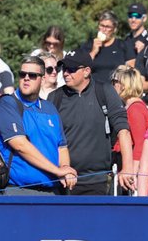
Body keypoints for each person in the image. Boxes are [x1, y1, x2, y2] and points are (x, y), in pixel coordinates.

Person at [50, 50, 134, 195]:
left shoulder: (104, 91)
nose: (65, 73)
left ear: (86, 71)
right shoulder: (54, 97)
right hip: (64, 180)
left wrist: (127, 168)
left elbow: (123, 130)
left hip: (99, 181)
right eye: (64, 69)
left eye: (72, 69)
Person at [0, 57, 75, 194]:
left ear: (42, 80)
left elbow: (62, 147)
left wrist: (66, 169)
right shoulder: (8, 104)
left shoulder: (50, 108)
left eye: (32, 75)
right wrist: (57, 170)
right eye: (22, 74)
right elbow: (20, 145)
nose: (26, 78)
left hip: (53, 191)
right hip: (19, 191)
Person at [83, 11, 134, 85]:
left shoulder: (123, 46)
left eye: (107, 27)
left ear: (114, 29)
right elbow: (81, 69)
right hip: (93, 90)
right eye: (101, 25)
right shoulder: (89, 45)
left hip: (115, 90)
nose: (104, 30)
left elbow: (131, 70)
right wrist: (93, 52)